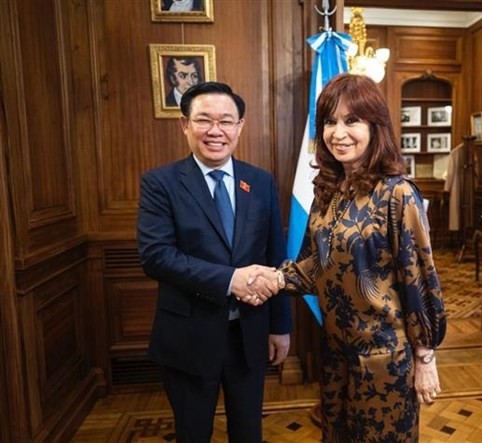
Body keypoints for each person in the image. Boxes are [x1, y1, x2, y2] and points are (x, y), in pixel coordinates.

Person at [255, 73, 446, 442]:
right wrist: (272, 278)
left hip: (385, 363)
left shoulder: (397, 194)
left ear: (375, 125)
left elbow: (419, 280)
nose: (338, 133)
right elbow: (314, 266)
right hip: (337, 357)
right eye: (329, 121)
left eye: (351, 120)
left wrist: (425, 358)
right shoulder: (327, 192)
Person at [137, 81, 292, 442]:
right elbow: (156, 257)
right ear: (185, 125)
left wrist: (280, 326)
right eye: (204, 120)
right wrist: (230, 279)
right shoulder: (160, 183)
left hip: (249, 335)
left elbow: (276, 257)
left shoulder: (260, 181)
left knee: (248, 432)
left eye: (226, 120)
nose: (216, 131)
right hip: (189, 337)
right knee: (193, 433)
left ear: (240, 125)